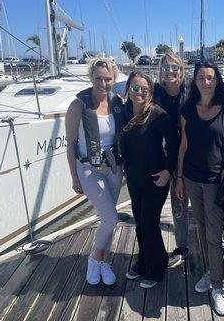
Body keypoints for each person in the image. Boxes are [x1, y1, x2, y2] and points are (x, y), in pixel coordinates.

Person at [175, 61, 224, 316]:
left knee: (215, 233)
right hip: (191, 179)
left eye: (210, 78)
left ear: (217, 81)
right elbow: (183, 145)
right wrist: (179, 178)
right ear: (195, 80)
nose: (206, 82)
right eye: (201, 77)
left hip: (216, 181)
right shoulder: (188, 109)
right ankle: (210, 269)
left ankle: (217, 285)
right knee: (202, 229)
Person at [65, 57, 124, 286]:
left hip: (113, 169)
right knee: (111, 218)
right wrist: (73, 175)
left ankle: (105, 262)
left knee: (106, 219)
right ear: (91, 77)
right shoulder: (78, 105)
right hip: (88, 169)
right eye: (98, 78)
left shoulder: (116, 102)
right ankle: (94, 258)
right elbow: (70, 143)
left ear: (114, 79)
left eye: (108, 78)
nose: (103, 83)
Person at [121, 70, 179, 289]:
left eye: (144, 89)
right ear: (128, 89)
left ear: (150, 92)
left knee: (149, 223)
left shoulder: (158, 114)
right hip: (134, 177)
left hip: (156, 178)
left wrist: (168, 172)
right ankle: (143, 260)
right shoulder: (124, 111)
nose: (139, 93)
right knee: (139, 222)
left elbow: (175, 145)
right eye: (135, 88)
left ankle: (158, 267)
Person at [153, 52, 190, 267]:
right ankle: (155, 249)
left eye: (175, 67)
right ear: (160, 71)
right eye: (165, 67)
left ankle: (184, 246)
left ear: (181, 72)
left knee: (181, 206)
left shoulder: (191, 91)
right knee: (157, 208)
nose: (170, 71)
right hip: (160, 159)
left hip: (186, 157)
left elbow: (218, 92)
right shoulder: (155, 92)